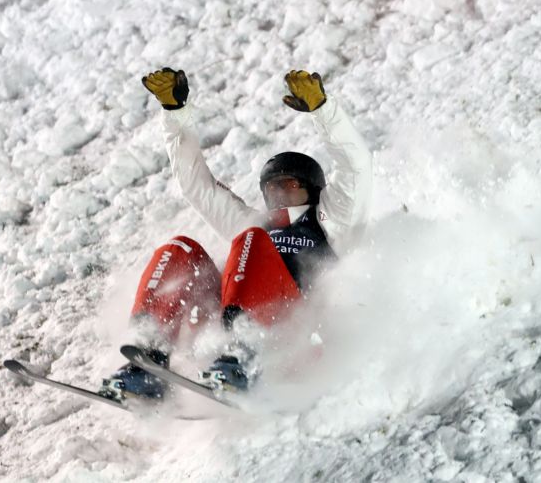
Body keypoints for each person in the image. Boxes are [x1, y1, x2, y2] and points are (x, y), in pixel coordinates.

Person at [100, 67, 372, 401]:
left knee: (250, 239)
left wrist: (323, 111)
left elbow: (357, 165)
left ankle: (245, 357)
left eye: (289, 184)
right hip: (229, 338)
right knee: (180, 248)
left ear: (312, 189)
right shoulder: (256, 225)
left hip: (299, 337)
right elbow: (196, 185)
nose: (279, 193)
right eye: (272, 187)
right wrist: (176, 115)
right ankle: (149, 360)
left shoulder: (331, 220)